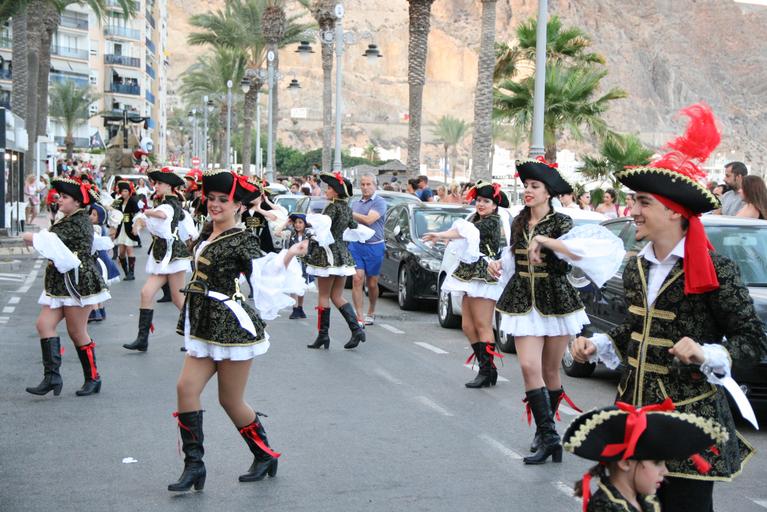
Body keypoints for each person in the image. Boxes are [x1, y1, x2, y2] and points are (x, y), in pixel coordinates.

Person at [571, 104, 767, 510]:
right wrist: (600, 343)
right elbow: (638, 330)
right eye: (633, 201)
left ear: (674, 211)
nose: (632, 211)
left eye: (643, 202)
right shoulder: (636, 267)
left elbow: (752, 341)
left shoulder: (717, 269)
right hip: (635, 418)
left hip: (686, 425)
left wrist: (707, 353)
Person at [169, 169, 307, 492]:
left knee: (230, 400)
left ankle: (264, 454)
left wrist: (289, 254)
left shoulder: (242, 238)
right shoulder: (207, 233)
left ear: (238, 206)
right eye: (211, 199)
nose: (215, 204)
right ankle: (194, 466)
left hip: (231, 327)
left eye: (223, 200)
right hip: (204, 324)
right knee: (185, 388)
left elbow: (263, 270)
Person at [489, 157, 624, 464]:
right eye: (526, 185)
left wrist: (544, 240)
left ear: (548, 192)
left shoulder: (562, 222)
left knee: (551, 371)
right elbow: (512, 256)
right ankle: (550, 436)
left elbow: (576, 252)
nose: (528, 190)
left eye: (534, 186)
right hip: (522, 300)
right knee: (529, 367)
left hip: (556, 300)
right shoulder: (518, 221)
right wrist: (497, 264)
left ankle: (544, 433)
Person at [22, 177, 110, 397]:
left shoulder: (78, 221)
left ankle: (93, 378)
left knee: (77, 332)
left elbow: (52, 241)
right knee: (44, 324)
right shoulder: (70, 218)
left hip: (77, 283)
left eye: (64, 197)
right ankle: (52, 377)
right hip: (62, 282)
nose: (59, 199)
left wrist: (30, 236)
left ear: (78, 202)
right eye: (60, 196)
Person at [564, 401, 728, 512]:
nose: (665, 471)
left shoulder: (646, 500)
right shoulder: (605, 506)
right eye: (657, 463)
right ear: (626, 462)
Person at [423, 181, 508, 388]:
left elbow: (464, 232)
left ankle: (486, 371)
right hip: (470, 273)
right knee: (467, 326)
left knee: (482, 325)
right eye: (478, 200)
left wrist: (440, 234)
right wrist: (442, 236)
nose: (481, 204)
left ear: (494, 205)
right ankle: (488, 368)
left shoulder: (491, 222)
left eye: (486, 201)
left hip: (484, 274)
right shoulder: (477, 219)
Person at [123, 168, 194, 352]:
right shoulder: (164, 202)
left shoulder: (171, 203)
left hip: (174, 256)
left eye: (160, 183)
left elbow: (164, 214)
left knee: (178, 298)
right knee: (146, 293)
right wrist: (142, 220)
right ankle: (142, 339)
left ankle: (195, 336)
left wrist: (147, 212)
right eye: (156, 183)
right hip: (162, 256)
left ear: (169, 186)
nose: (156, 186)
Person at [304, 172, 372, 350]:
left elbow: (323, 229)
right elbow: (354, 227)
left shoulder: (332, 207)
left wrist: (310, 227)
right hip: (343, 255)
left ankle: (323, 336)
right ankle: (357, 330)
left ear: (335, 191)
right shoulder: (347, 209)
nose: (326, 191)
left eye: (329, 188)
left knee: (324, 296)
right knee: (337, 296)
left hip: (328, 254)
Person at [350, 174, 388, 326]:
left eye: (368, 184)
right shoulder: (355, 203)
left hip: (375, 246)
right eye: (363, 184)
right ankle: (359, 316)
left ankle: (371, 311)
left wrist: (349, 213)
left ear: (375, 185)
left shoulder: (379, 202)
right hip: (356, 245)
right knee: (357, 278)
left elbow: (369, 220)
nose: (365, 187)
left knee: (372, 283)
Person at [88, 201, 120, 322]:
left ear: (100, 217)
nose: (91, 216)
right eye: (91, 213)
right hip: (102, 260)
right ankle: (101, 310)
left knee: (92, 287)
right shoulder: (101, 227)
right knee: (100, 288)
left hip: (97, 261)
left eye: (94, 214)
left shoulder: (95, 228)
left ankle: (94, 311)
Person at [109, 181, 141, 281]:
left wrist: (135, 226)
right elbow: (110, 209)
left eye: (126, 191)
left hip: (129, 228)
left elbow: (138, 214)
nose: (124, 193)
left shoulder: (132, 201)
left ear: (129, 191)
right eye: (122, 191)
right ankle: (126, 272)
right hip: (120, 228)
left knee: (129, 250)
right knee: (122, 252)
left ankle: (131, 273)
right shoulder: (118, 200)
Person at [283, 213, 312, 319]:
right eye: (295, 222)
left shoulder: (309, 235)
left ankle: (300, 307)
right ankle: (295, 309)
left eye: (300, 222)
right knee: (293, 284)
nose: (297, 225)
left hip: (304, 264)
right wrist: (286, 222)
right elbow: (277, 232)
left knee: (301, 286)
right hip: (293, 263)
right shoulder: (290, 234)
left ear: (305, 224)